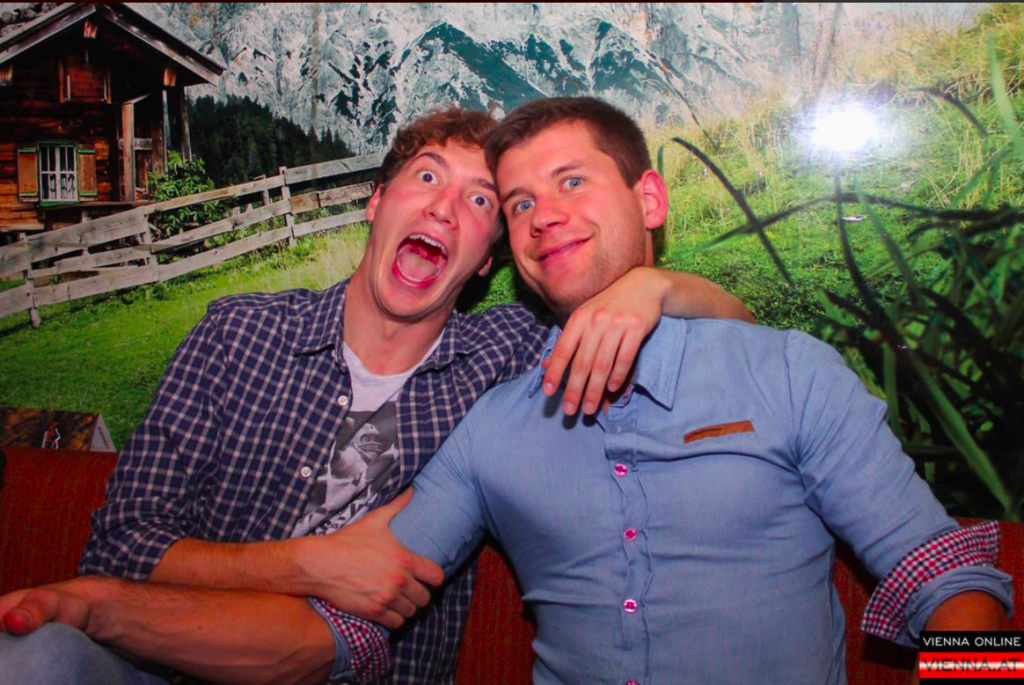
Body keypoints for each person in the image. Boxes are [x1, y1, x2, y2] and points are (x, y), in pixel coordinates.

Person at [0, 107, 751, 684]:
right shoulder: (237, 334)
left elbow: (742, 338)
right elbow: (120, 547)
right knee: (34, 655)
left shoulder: (510, 361)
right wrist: (312, 564)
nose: (444, 209)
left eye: (481, 201)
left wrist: (653, 287)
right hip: (151, 667)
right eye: (426, 178)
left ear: (486, 261)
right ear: (376, 201)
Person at [373, 97, 1013, 683]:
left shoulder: (789, 375)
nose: (545, 217)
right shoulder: (494, 426)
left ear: (650, 200)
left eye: (572, 182)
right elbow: (366, 595)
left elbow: (943, 573)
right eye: (519, 204)